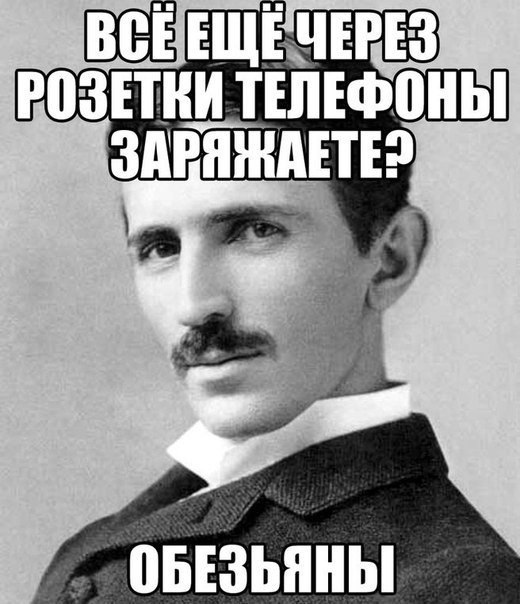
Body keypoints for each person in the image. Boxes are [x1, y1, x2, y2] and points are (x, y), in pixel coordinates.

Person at [32, 39, 519, 603]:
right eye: (161, 248)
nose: (194, 305)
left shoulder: (454, 583)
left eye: (255, 231)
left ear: (390, 260)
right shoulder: (97, 545)